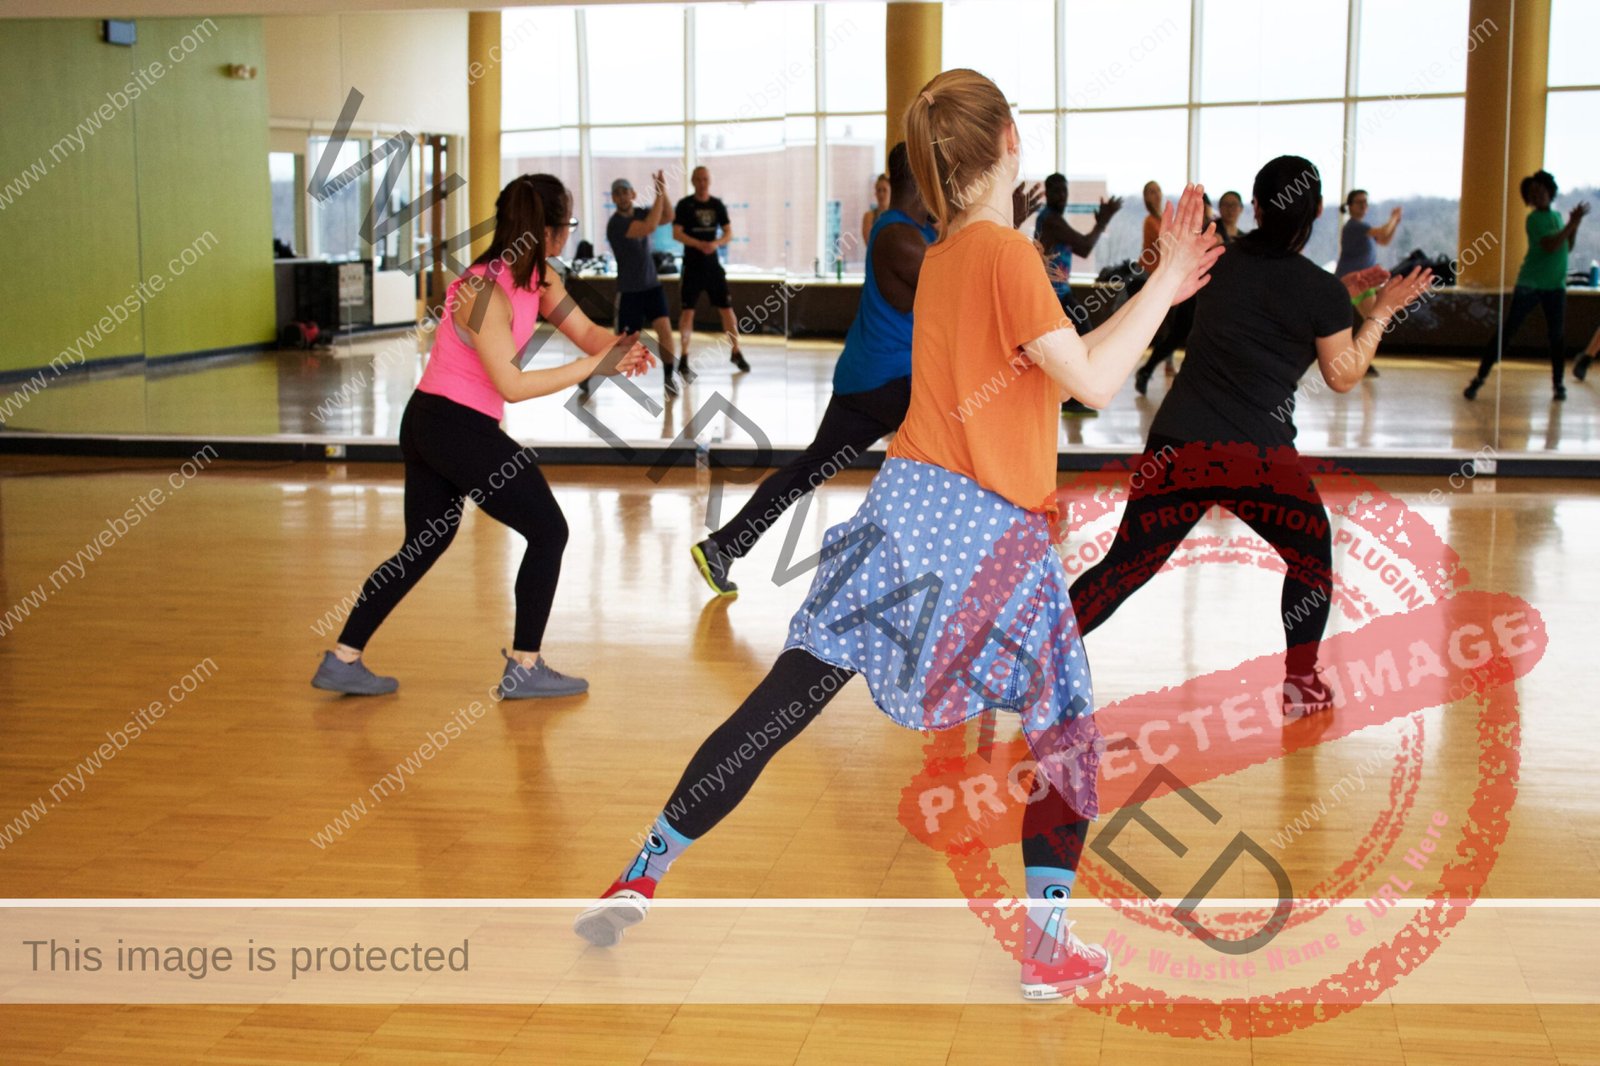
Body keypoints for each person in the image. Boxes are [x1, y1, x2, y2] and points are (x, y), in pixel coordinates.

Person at [575, 68, 1221, 1002]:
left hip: (904, 504)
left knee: (785, 698)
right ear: (1010, 140)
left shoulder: (951, 252)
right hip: (988, 527)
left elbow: (1055, 359)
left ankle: (642, 869)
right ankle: (1046, 946)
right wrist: (1163, 281)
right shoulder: (1005, 255)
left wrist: (1155, 283)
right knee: (1064, 729)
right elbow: (1092, 382)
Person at [1069, 156, 1433, 717]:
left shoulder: (1217, 261)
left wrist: (1339, 293)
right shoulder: (1319, 292)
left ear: (1256, 208)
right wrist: (1380, 311)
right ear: (1316, 213)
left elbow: (1259, 293)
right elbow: (1342, 375)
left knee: (1125, 566)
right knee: (1311, 555)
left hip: (1178, 443)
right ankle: (1301, 684)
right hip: (1256, 457)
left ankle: (1034, 661)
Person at [311, 175, 654, 698]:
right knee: (549, 531)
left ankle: (343, 658)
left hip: (440, 425)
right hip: (450, 426)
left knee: (423, 545)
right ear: (548, 230)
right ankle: (524, 667)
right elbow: (512, 386)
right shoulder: (479, 292)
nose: (566, 236)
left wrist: (623, 347)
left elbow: (588, 334)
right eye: (565, 226)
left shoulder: (540, 280)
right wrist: (593, 366)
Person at [690, 143, 933, 597]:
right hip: (888, 384)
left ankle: (722, 546)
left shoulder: (918, 231)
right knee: (950, 463)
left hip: (874, 379)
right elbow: (961, 283)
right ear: (922, 179)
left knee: (811, 470)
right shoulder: (899, 236)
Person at [1465, 170, 1589, 402]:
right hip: (1530, 284)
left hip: (1555, 286)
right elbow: (1551, 245)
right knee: (1508, 332)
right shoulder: (1533, 220)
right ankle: (1479, 379)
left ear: (1550, 192)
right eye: (1533, 193)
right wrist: (1571, 224)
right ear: (1529, 199)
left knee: (1557, 336)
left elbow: (1566, 247)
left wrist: (1575, 225)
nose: (1538, 195)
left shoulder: (1557, 218)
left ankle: (1558, 385)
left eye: (1541, 190)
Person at [1035, 173, 1122, 416]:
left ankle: (1072, 395)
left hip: (1061, 292)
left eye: (1064, 190)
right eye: (1055, 191)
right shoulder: (1051, 219)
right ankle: (1073, 396)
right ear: (1047, 193)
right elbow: (1084, 247)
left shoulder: (1052, 219)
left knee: (1081, 338)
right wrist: (1102, 223)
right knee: (1083, 339)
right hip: (1054, 295)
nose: (1060, 195)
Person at [607, 172, 682, 396]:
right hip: (629, 292)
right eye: (617, 193)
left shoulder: (640, 213)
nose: (621, 197)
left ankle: (669, 376)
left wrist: (663, 190)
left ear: (633, 195)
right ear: (613, 199)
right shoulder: (616, 225)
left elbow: (668, 216)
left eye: (625, 192)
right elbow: (649, 227)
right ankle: (589, 374)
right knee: (623, 345)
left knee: (665, 332)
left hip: (652, 287)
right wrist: (658, 192)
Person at [674, 166, 749, 374]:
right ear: (692, 181)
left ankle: (736, 351)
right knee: (687, 312)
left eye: (705, 179)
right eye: (698, 179)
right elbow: (677, 233)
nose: (702, 183)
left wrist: (716, 243)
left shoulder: (717, 205)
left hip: (713, 267)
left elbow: (728, 232)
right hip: (692, 266)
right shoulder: (684, 205)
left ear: (709, 181)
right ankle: (684, 355)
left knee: (727, 310)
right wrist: (698, 244)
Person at [1334, 190, 1401, 277]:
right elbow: (1384, 232)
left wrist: (1395, 224)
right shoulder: (1353, 226)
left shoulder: (1364, 227)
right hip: (1349, 279)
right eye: (1359, 202)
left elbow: (1384, 241)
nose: (1363, 205)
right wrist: (1394, 217)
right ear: (1350, 206)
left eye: (1365, 202)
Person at [861, 172, 890, 246]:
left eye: (884, 190)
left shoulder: (896, 216)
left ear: (890, 192)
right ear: (875, 193)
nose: (881, 194)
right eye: (879, 190)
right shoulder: (869, 216)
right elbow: (869, 243)